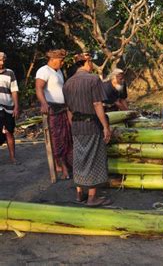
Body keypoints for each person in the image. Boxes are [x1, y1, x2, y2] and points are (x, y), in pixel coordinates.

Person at [63, 52, 112, 207]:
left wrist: (73, 126)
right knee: (94, 159)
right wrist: (105, 126)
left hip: (76, 126)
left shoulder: (67, 83)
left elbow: (68, 109)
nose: (92, 65)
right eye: (91, 62)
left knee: (79, 159)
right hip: (91, 125)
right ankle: (92, 197)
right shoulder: (93, 79)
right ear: (86, 62)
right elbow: (97, 104)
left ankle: (79, 195)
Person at [35, 49, 73, 179]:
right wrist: (43, 103)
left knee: (66, 137)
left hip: (62, 108)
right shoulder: (43, 70)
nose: (62, 63)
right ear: (52, 59)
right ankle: (62, 168)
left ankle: (65, 165)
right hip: (52, 108)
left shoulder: (59, 72)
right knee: (57, 139)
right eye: (60, 60)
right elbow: (39, 88)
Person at [0, 52, 19, 164]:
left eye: (3, 60)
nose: (1, 62)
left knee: (9, 132)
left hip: (8, 107)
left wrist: (16, 106)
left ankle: (13, 158)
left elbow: (14, 90)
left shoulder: (10, 73)